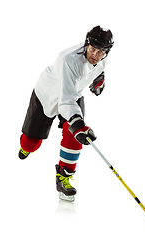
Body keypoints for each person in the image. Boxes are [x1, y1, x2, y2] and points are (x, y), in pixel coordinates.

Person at [18, 26, 114, 201]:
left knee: (75, 136)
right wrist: (78, 124)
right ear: (86, 44)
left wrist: (99, 79)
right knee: (30, 144)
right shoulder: (67, 59)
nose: (96, 55)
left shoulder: (102, 58)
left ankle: (63, 178)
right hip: (47, 95)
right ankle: (26, 147)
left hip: (72, 95)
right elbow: (65, 101)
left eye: (101, 52)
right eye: (93, 49)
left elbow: (96, 71)